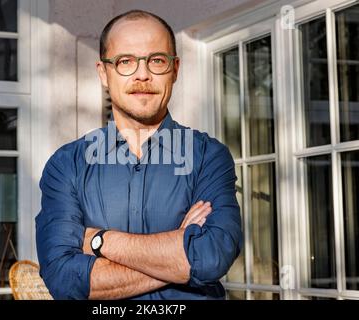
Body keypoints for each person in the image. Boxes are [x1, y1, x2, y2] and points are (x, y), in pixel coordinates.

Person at [36, 9, 243, 300]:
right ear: (103, 73)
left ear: (175, 70)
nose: (142, 74)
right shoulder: (66, 166)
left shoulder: (208, 157)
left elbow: (210, 258)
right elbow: (64, 280)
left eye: (156, 60)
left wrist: (98, 241)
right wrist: (177, 254)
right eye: (125, 62)